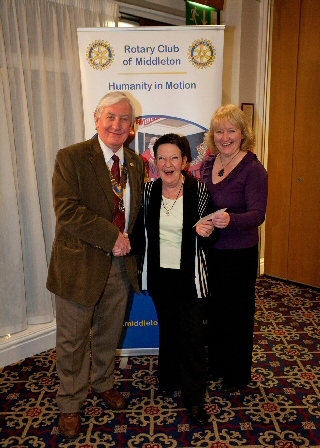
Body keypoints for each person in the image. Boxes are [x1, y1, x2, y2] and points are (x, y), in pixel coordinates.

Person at [46, 92, 145, 439]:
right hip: (79, 265)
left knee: (108, 332)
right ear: (97, 118)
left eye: (124, 120)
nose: (117, 125)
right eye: (111, 117)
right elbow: (67, 210)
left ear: (132, 127)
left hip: (120, 266)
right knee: (72, 340)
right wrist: (111, 237)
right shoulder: (71, 157)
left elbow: (134, 213)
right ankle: (70, 403)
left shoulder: (135, 162)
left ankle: (103, 383)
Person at [138, 133, 215, 426]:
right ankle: (168, 379)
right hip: (160, 276)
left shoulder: (199, 190)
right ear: (154, 162)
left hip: (190, 277)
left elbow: (211, 230)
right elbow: (140, 231)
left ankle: (194, 398)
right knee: (168, 330)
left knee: (193, 337)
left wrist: (209, 231)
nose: (168, 164)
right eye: (162, 158)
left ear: (185, 161)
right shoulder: (149, 192)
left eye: (174, 157)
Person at [200, 104, 268, 392]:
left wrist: (231, 220)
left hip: (239, 253)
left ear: (243, 134)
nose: (225, 137)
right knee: (213, 311)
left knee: (237, 314)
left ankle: (236, 375)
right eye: (219, 131)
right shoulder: (207, 163)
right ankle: (215, 365)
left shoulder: (253, 169)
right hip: (209, 251)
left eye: (231, 131)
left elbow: (258, 214)